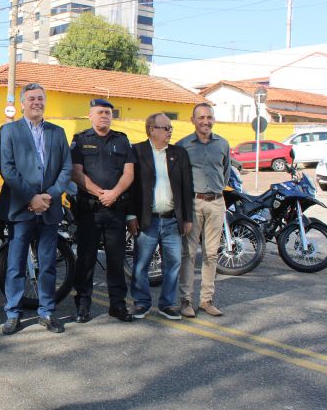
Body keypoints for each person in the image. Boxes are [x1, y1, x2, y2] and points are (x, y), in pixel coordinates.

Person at [0, 83, 72, 335]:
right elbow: (7, 169)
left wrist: (49, 196)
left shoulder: (58, 132)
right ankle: (13, 313)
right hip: (21, 208)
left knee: (48, 264)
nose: (36, 102)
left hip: (49, 209)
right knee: (16, 264)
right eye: (31, 99)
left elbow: (65, 169)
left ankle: (47, 312)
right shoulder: (8, 131)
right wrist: (31, 196)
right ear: (22, 103)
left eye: (40, 98)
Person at [71, 98, 135, 323]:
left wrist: (114, 194)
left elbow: (129, 173)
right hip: (90, 209)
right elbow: (76, 173)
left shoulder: (122, 140)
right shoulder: (80, 140)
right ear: (90, 115)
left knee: (116, 260)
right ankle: (83, 306)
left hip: (116, 209)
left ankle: (117, 305)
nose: (104, 116)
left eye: (108, 112)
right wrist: (100, 193)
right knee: (86, 259)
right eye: (100, 112)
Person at [127, 113, 194, 320]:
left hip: (172, 219)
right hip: (148, 219)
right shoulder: (137, 151)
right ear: (151, 129)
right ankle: (142, 302)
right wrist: (130, 215)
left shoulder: (179, 153)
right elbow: (130, 187)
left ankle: (167, 304)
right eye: (166, 128)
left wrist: (187, 218)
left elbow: (186, 187)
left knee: (172, 264)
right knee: (141, 264)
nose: (169, 132)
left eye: (170, 128)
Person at [177, 103, 230, 317]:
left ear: (213, 119)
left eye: (209, 117)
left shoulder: (223, 144)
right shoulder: (183, 146)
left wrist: (216, 192)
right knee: (188, 253)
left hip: (216, 202)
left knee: (212, 254)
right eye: (201, 117)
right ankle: (186, 301)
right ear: (193, 120)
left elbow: (225, 173)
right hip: (193, 203)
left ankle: (206, 300)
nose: (205, 121)